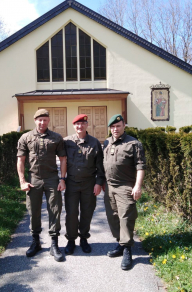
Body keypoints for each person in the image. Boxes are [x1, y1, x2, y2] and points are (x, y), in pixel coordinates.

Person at [17, 109, 67, 262]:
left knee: (55, 210)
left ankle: (54, 244)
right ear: (35, 120)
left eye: (45, 120)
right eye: (40, 120)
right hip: (34, 179)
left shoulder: (56, 138)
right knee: (34, 211)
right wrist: (22, 181)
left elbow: (63, 159)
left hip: (52, 179)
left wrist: (62, 179)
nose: (42, 122)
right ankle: (35, 241)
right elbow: (21, 160)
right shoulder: (26, 137)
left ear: (48, 121)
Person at [103, 114, 146, 270]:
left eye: (118, 126)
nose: (115, 129)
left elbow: (140, 166)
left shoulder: (134, 144)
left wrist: (138, 186)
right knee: (112, 216)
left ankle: (127, 250)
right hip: (109, 187)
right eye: (112, 127)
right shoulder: (106, 142)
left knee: (126, 217)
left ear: (124, 126)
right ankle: (120, 244)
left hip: (125, 186)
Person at [63, 114, 105, 255]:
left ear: (87, 125)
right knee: (71, 213)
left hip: (89, 183)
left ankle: (83, 239)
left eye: (82, 123)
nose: (79, 126)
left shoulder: (94, 143)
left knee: (87, 212)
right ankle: (71, 240)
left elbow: (100, 165)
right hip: (72, 183)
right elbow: (60, 159)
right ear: (73, 126)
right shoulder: (67, 142)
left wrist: (99, 183)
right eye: (77, 124)